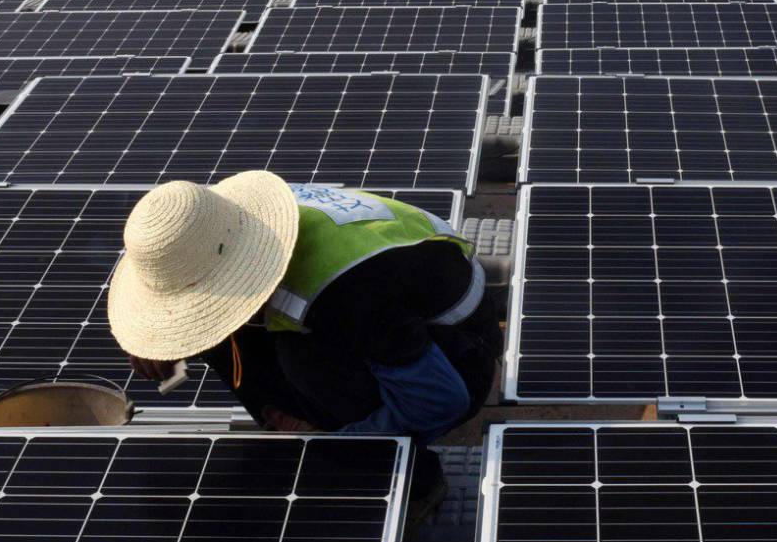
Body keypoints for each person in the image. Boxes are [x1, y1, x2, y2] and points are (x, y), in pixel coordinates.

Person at [106, 170, 499, 510]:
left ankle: (409, 476)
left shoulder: (340, 296)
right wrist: (164, 336)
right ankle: (303, 419)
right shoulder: (231, 225)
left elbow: (440, 400)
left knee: (301, 363)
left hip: (456, 350)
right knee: (222, 335)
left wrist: (332, 446)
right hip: (394, 306)